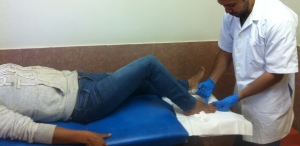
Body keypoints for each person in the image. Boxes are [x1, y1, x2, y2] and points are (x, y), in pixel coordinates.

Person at [0, 55, 216, 146]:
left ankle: (186, 85)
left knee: (140, 81)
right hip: (83, 103)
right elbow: (27, 130)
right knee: (148, 64)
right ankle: (191, 105)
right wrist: (82, 136)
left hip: (78, 79)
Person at [197, 0, 298, 145]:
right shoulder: (232, 14)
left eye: (231, 5)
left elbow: (276, 73)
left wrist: (237, 96)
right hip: (244, 98)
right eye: (223, 5)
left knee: (262, 141)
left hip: (268, 106)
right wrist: (212, 80)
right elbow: (226, 51)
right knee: (241, 140)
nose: (227, 10)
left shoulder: (279, 19)